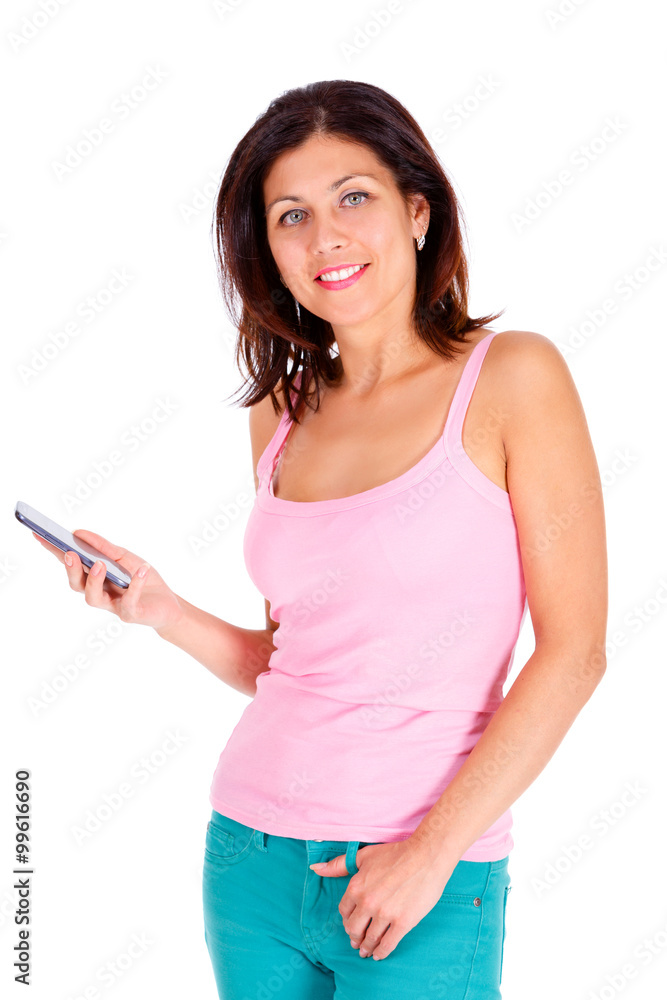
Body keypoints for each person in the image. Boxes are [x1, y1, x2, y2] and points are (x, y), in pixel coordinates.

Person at [33, 79, 608, 999]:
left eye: (353, 198)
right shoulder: (282, 409)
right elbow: (295, 660)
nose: (324, 237)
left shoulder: (513, 379)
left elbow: (574, 654)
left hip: (418, 880)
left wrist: (428, 855)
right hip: (248, 860)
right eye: (290, 214)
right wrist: (161, 609)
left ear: (417, 212)